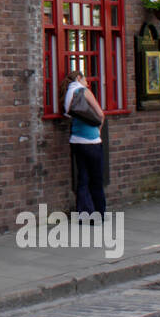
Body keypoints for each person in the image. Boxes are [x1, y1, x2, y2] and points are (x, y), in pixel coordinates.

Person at [63, 70, 105, 216]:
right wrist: (99, 129)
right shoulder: (83, 91)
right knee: (96, 178)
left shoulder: (68, 93)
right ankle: (98, 212)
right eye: (85, 78)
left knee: (83, 178)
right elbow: (100, 114)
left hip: (76, 141)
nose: (87, 81)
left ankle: (83, 214)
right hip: (92, 141)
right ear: (79, 78)